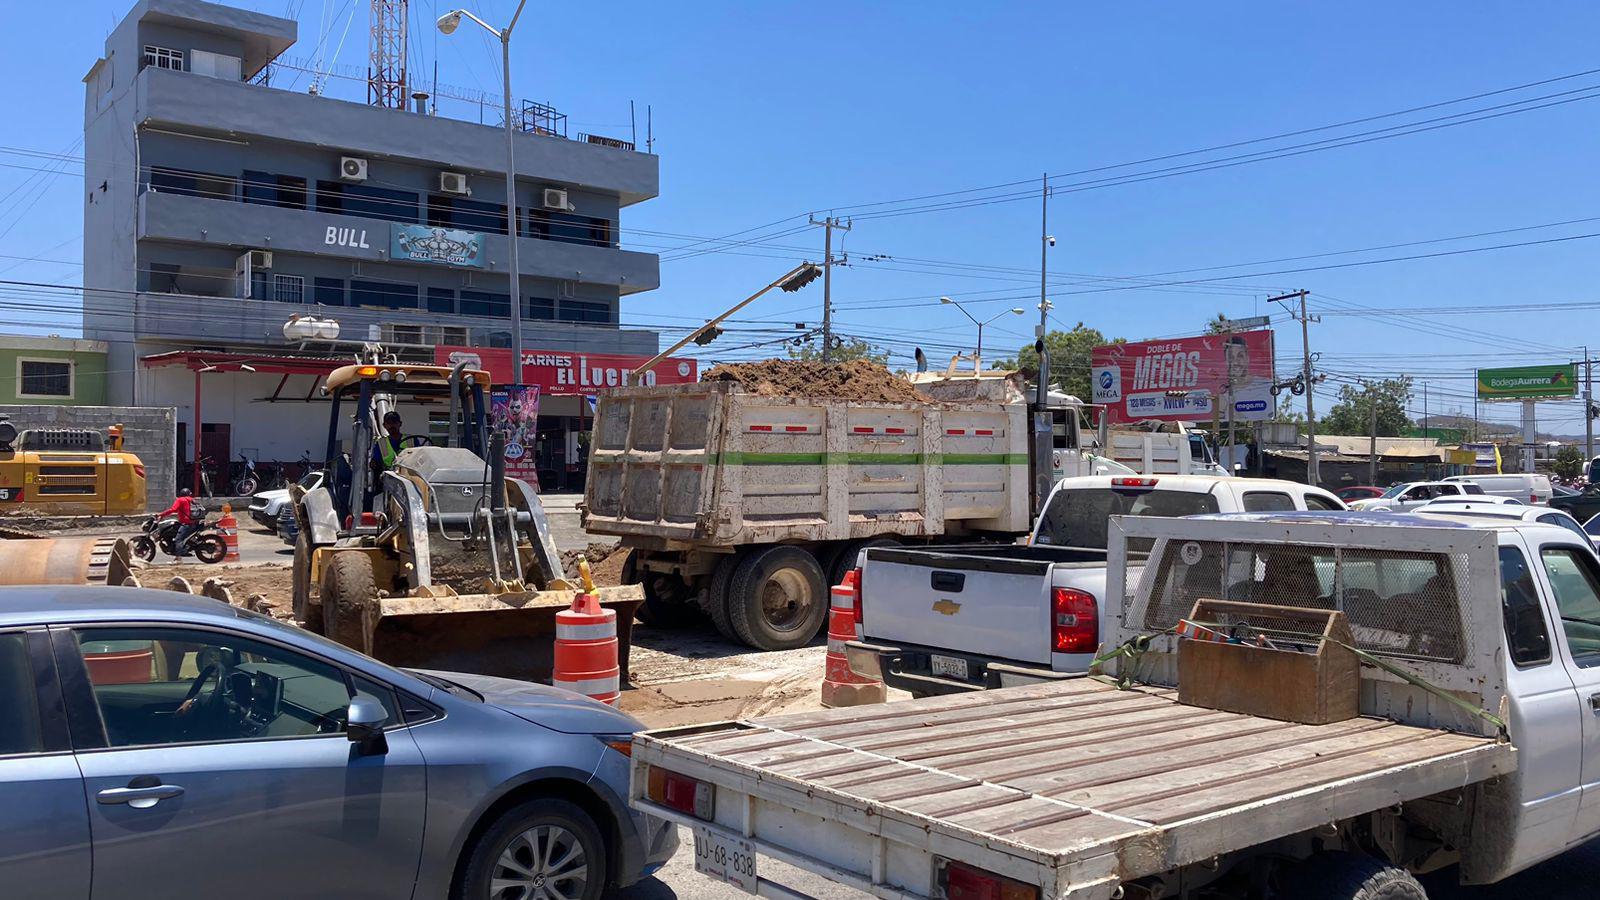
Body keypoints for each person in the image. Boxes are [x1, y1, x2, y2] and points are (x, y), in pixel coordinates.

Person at [159, 488, 200, 555]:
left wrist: (162, 515)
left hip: (186, 524)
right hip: (195, 523)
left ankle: (180, 556)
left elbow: (173, 509)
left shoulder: (180, 500)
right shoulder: (192, 500)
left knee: (178, 539)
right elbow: (180, 510)